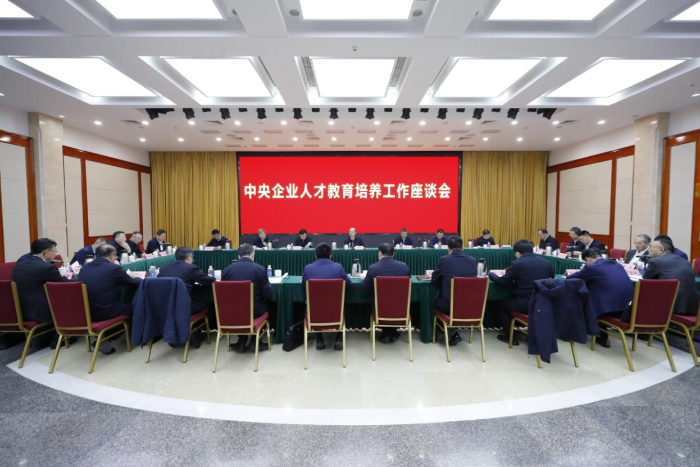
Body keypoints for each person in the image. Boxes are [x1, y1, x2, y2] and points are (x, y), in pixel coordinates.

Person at [79, 243, 142, 354]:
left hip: (86, 312)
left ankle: (104, 338)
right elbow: (132, 282)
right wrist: (139, 278)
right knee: (135, 307)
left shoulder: (84, 268)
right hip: (105, 311)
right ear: (112, 256)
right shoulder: (113, 268)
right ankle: (125, 338)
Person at [490, 239, 554, 346]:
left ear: (517, 253)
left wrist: (492, 275)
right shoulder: (546, 262)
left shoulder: (517, 263)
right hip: (543, 302)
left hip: (526, 302)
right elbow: (551, 278)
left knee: (501, 305)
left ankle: (511, 336)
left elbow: (503, 282)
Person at [567, 248, 635, 347]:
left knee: (580, 300)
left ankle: (584, 334)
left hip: (607, 309)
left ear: (588, 259)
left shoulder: (592, 267)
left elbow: (570, 278)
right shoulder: (617, 265)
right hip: (627, 308)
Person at [159, 247, 216, 348]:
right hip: (184, 308)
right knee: (209, 303)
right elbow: (209, 281)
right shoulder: (190, 268)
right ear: (189, 257)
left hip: (165, 307)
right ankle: (197, 331)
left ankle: (189, 332)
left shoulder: (163, 268)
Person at [221, 243, 273, 353]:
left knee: (239, 308)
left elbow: (224, 294)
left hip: (232, 312)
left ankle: (242, 341)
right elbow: (268, 294)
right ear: (253, 255)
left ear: (238, 256)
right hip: (255, 311)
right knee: (264, 305)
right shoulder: (259, 269)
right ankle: (255, 341)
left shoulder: (227, 270)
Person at [301, 243, 352, 351]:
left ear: (315, 256)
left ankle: (319, 339)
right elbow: (349, 285)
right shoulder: (338, 267)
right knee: (342, 306)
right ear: (330, 255)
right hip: (335, 312)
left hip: (314, 313)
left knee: (312, 306)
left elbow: (304, 290)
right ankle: (339, 338)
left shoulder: (308, 269)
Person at [11, 238, 72, 324]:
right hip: (38, 312)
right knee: (71, 298)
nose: (56, 254)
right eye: (55, 251)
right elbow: (64, 285)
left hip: (18, 311)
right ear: (45, 252)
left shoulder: (19, 265)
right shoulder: (47, 267)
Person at [431, 236, 477, 346]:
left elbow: (434, 280)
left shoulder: (444, 260)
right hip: (469, 306)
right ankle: (453, 332)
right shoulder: (473, 261)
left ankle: (442, 332)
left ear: (448, 248)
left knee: (431, 302)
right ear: (462, 247)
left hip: (448, 305)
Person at [362, 243, 411, 344]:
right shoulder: (404, 267)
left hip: (380, 312)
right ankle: (391, 332)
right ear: (393, 254)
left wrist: (364, 280)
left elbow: (366, 289)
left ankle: (388, 333)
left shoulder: (373, 268)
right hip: (401, 311)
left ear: (380, 254)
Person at [643, 239, 699, 317]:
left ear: (661, 250)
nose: (648, 249)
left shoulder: (655, 261)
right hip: (693, 306)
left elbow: (645, 279)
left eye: (650, 247)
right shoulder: (685, 262)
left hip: (671, 307)